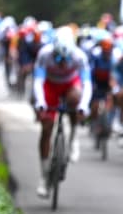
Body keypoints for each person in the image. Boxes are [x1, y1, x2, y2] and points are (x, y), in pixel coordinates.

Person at [32, 26, 92, 198]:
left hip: (69, 84)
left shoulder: (79, 56)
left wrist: (84, 105)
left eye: (65, 59)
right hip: (49, 85)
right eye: (58, 58)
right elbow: (38, 81)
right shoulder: (44, 54)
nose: (62, 62)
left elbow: (86, 84)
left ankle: (73, 136)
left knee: (76, 99)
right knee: (46, 128)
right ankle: (44, 177)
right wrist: (41, 103)